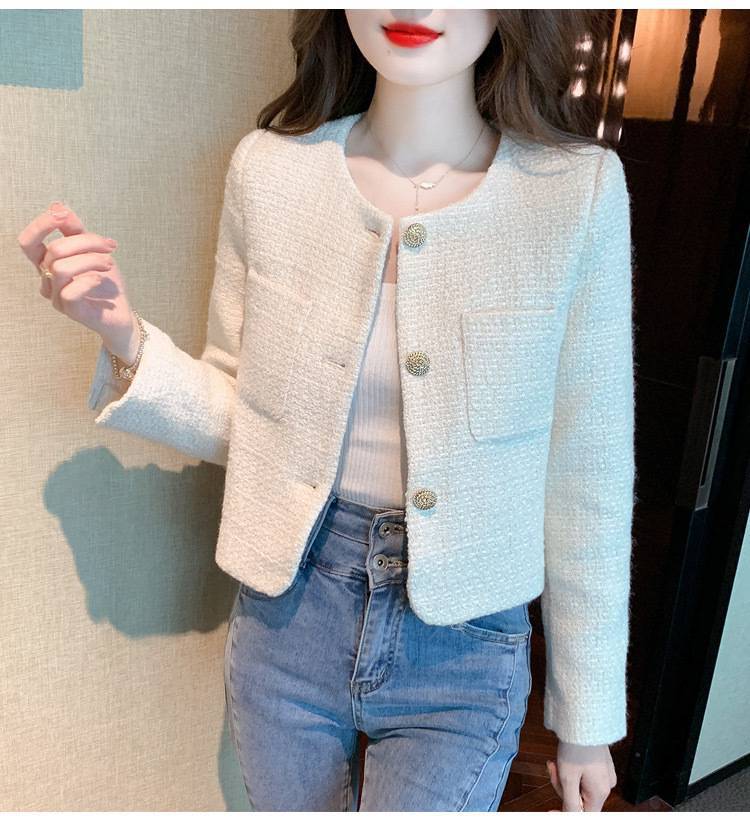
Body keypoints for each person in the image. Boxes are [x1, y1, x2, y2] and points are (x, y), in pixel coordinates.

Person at [17, 9, 633, 812]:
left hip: (466, 647)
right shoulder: (271, 171)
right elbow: (247, 418)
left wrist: (585, 718)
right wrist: (124, 336)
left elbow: (588, 474)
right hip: (290, 618)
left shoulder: (573, 193)